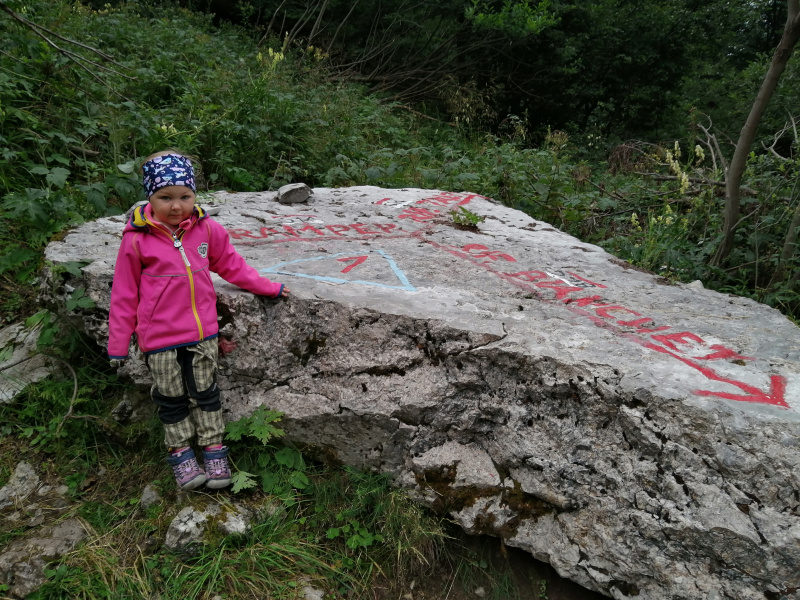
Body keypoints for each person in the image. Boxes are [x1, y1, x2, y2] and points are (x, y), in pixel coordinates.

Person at [107, 151, 290, 490]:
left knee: (206, 393)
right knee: (171, 398)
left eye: (185, 196)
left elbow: (232, 265)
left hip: (201, 333)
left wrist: (268, 287)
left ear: (194, 195)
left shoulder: (206, 229)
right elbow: (124, 292)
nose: (177, 206)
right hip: (159, 338)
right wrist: (118, 343)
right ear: (150, 196)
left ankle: (213, 449)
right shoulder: (136, 239)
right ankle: (181, 453)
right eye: (165, 197)